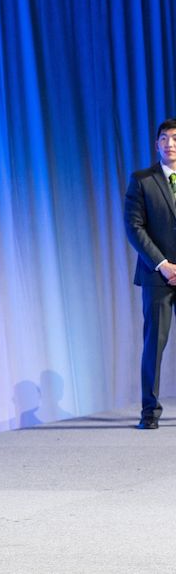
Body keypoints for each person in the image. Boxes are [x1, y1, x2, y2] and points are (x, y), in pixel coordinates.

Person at [124, 118, 176, 430]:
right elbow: (134, 227)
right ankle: (150, 411)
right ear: (156, 145)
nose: (170, 143)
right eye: (165, 139)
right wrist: (163, 264)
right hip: (158, 276)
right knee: (154, 344)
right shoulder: (142, 180)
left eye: (175, 138)